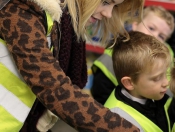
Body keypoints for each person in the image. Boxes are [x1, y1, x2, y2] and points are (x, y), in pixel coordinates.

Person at [0, 0, 144, 132]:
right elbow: (54, 88)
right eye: (105, 2)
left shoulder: (58, 19)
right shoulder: (21, 9)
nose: (108, 13)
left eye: (115, 6)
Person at [91, 5, 175, 105]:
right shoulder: (110, 59)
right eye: (151, 28)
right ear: (135, 25)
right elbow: (102, 97)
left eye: (161, 36)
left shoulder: (168, 56)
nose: (154, 36)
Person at [104, 31, 175, 132]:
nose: (166, 82)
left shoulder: (151, 94)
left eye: (165, 74)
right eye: (156, 78)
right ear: (129, 83)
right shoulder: (118, 121)